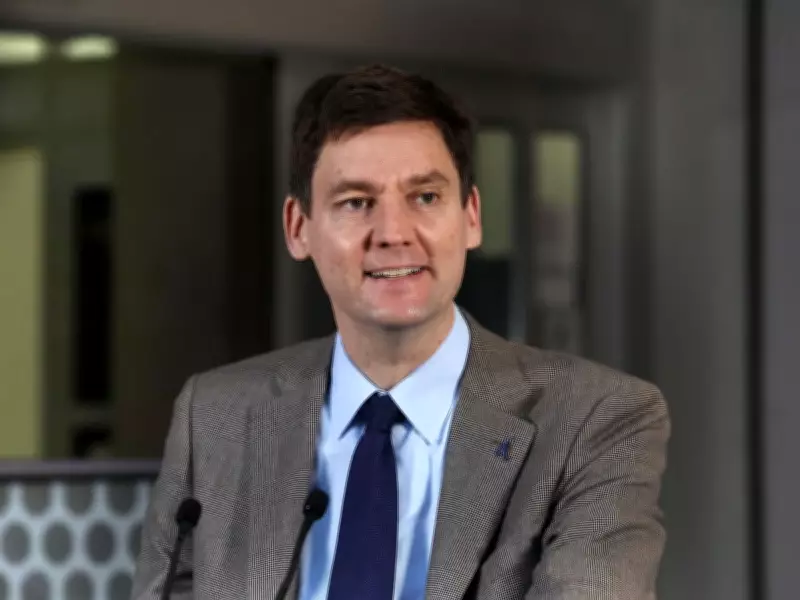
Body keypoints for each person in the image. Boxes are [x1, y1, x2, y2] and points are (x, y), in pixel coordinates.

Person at [132, 64, 670, 600]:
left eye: (426, 197)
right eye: (356, 202)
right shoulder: (215, 417)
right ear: (298, 228)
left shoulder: (597, 420)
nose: (393, 233)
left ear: (471, 217)